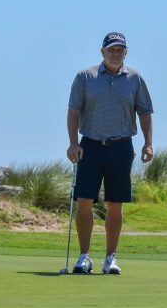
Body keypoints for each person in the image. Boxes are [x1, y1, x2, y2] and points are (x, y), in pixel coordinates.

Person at [66, 32, 154, 275]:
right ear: (102, 52)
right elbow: (73, 111)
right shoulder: (85, 77)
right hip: (90, 146)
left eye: (120, 50)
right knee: (84, 201)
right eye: (111, 49)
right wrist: (73, 144)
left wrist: (148, 143)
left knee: (115, 204)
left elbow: (144, 112)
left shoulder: (135, 79)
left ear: (125, 52)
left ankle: (110, 259)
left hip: (121, 146)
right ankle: (84, 257)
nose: (115, 53)